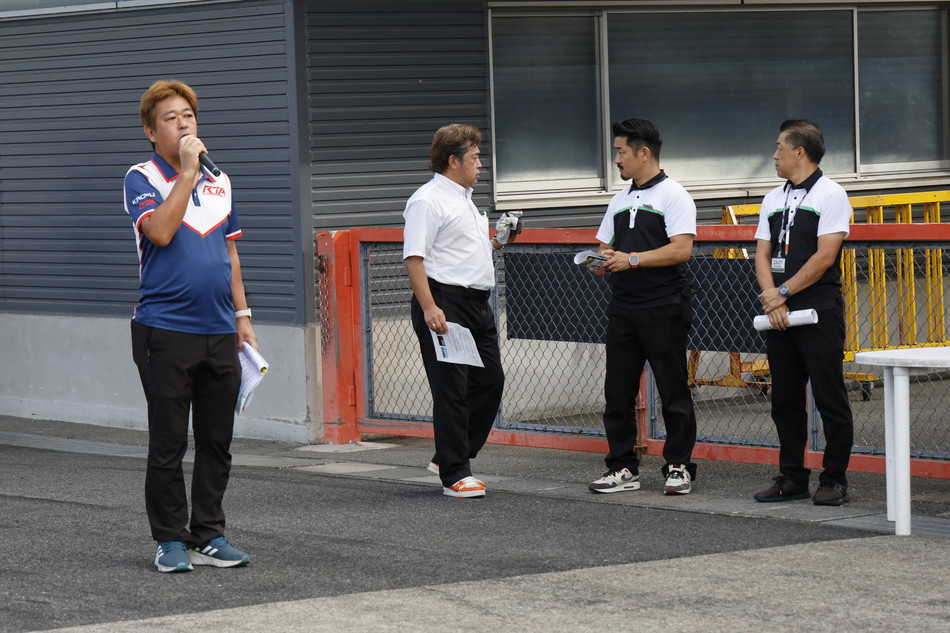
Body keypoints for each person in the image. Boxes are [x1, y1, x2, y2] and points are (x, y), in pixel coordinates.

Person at [123, 79, 257, 572]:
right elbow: (159, 231)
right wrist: (185, 173)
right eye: (171, 118)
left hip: (219, 329)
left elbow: (230, 252)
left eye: (189, 116)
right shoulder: (141, 177)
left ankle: (209, 534)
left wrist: (243, 317)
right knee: (169, 441)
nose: (183, 124)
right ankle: (169, 540)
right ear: (150, 131)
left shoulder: (220, 180)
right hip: (164, 329)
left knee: (217, 439)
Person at [402, 123, 519, 499]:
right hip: (445, 302)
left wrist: (497, 242)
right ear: (454, 161)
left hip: (477, 303)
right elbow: (414, 258)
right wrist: (429, 307)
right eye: (475, 157)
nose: (481, 164)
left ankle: (449, 455)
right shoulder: (427, 199)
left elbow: (462, 250)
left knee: (490, 382)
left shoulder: (464, 199)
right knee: (451, 389)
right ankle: (455, 474)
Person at [587, 118, 698, 496]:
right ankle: (622, 467)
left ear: (644, 153)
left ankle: (679, 466)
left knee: (673, 390)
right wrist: (602, 261)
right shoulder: (619, 200)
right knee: (617, 393)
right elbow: (605, 246)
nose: (616, 159)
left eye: (621, 152)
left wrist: (632, 260)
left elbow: (681, 249)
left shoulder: (674, 195)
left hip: (664, 305)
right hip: (623, 307)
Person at [753, 119, 854, 506]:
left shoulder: (831, 194)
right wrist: (772, 296)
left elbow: (825, 257)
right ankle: (792, 477)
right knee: (784, 399)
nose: (774, 155)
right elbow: (762, 253)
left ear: (800, 152)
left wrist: (782, 293)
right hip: (778, 308)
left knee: (829, 396)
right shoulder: (772, 198)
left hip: (818, 307)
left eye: (780, 147)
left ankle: (835, 479)